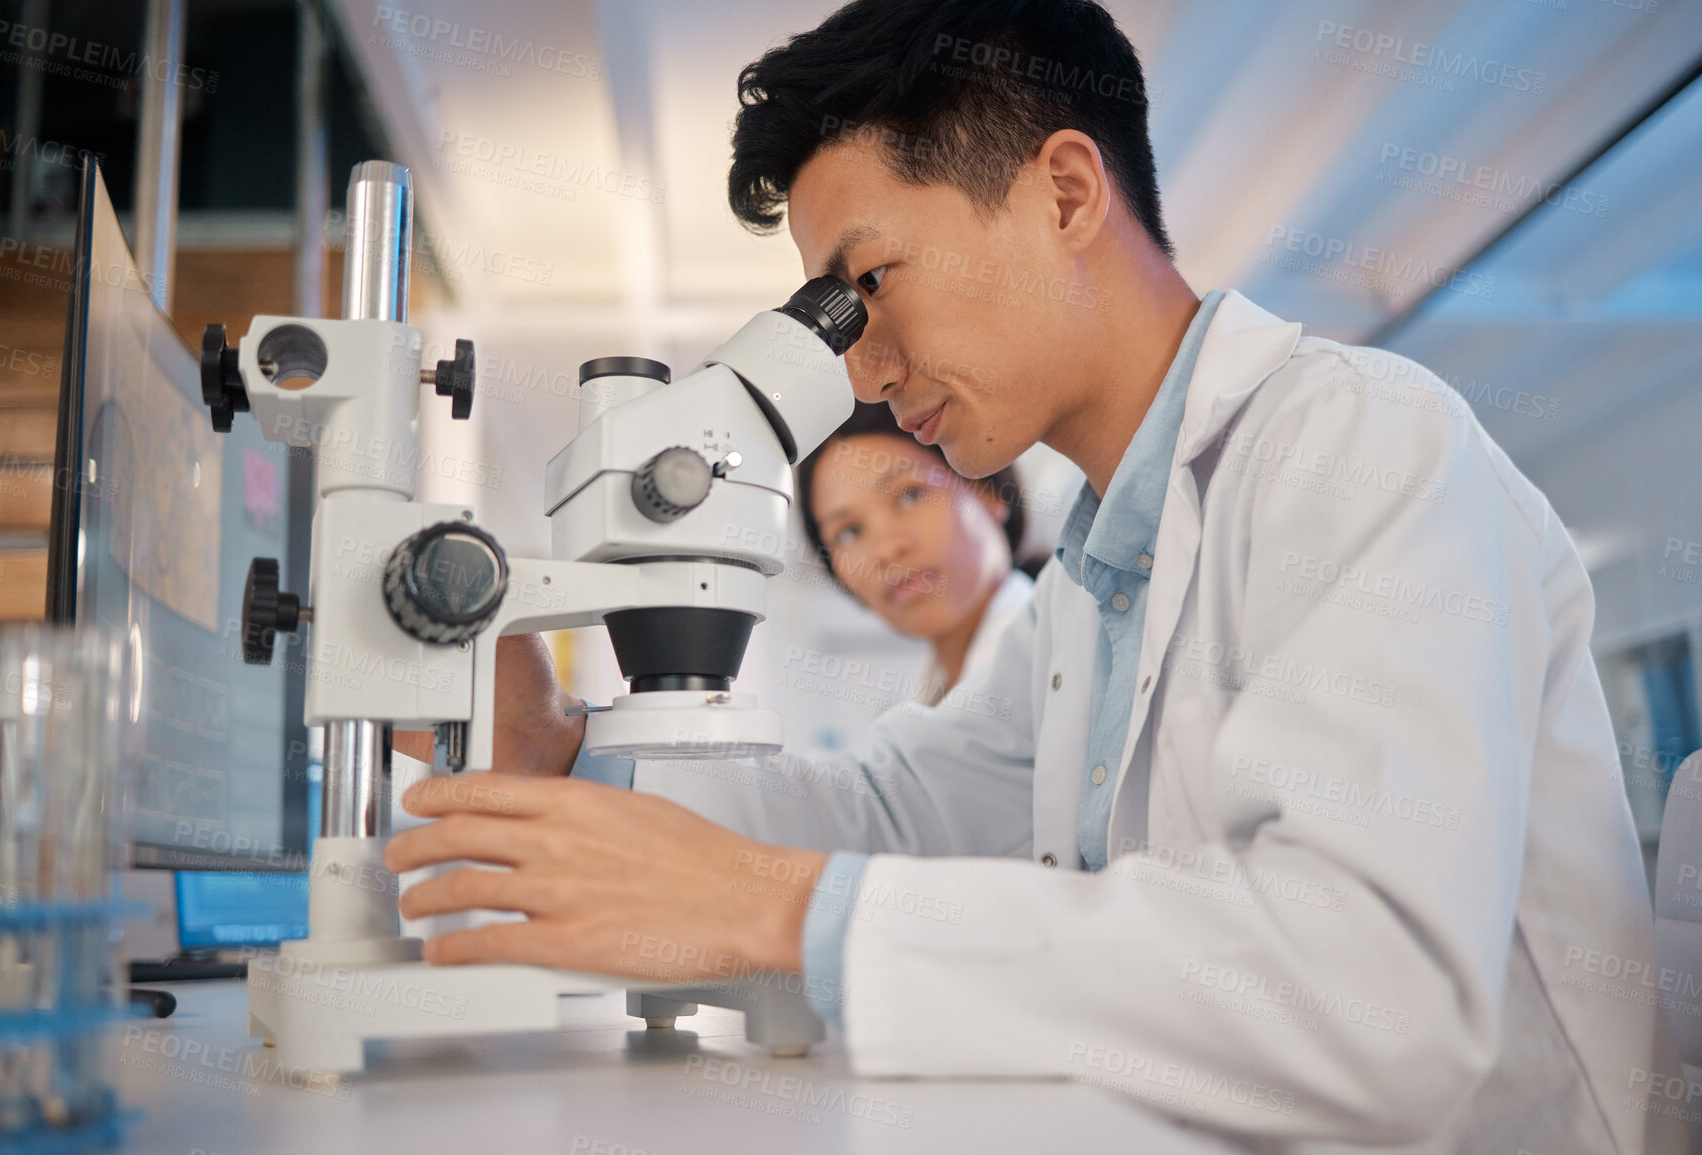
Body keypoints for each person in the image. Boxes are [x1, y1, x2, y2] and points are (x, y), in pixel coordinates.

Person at [383, 2, 1681, 1150]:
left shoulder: (1358, 443)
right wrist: (562, 757)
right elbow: (893, 811)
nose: (862, 365)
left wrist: (774, 910)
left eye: (866, 285)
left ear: (1063, 192)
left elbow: (1372, 992)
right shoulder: (1092, 584)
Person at [797, 401, 1039, 706]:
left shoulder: (1059, 660)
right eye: (849, 532)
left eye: (911, 495)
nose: (885, 549)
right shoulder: (922, 704)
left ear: (987, 489)